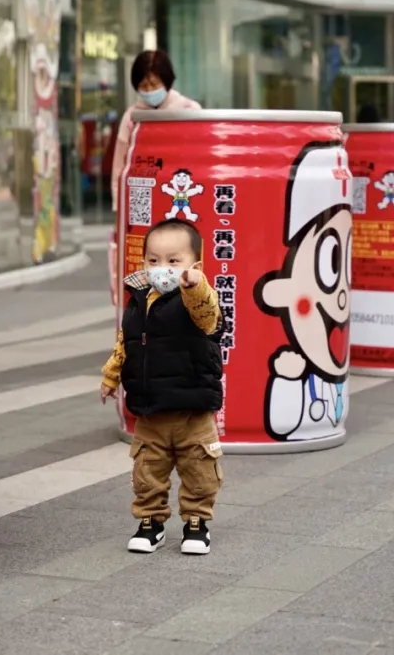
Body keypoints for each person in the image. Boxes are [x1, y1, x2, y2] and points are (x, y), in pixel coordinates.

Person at [100, 219, 224, 555]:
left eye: (173, 261)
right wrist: (112, 376)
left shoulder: (197, 298)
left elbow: (209, 314)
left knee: (198, 468)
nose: (162, 269)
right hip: (150, 407)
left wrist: (195, 286)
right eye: (153, 260)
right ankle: (150, 522)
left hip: (192, 409)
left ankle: (196, 522)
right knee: (147, 470)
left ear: (194, 265)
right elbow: (126, 342)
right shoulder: (139, 298)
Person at [108, 50, 202, 302]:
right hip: (146, 200)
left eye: (154, 83)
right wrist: (119, 205)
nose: (149, 90)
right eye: (143, 85)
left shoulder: (189, 110)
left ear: (167, 81)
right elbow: (120, 164)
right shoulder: (132, 117)